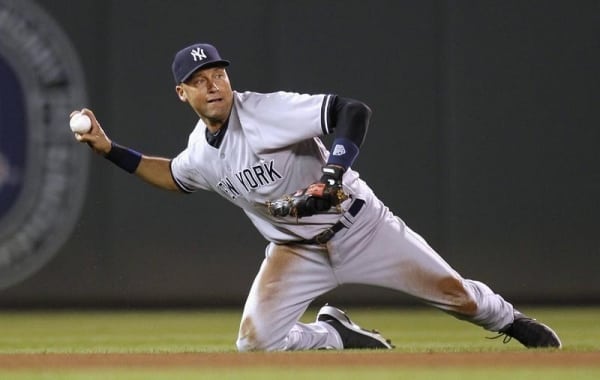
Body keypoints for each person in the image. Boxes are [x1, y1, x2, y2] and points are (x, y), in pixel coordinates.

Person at [72, 42, 562, 351]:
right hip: (293, 252)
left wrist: (332, 175)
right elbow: (174, 177)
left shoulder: (263, 112)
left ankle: (510, 320)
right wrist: (109, 149)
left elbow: (352, 111)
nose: (214, 84)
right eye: (200, 81)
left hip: (359, 226)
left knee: (456, 297)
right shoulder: (202, 151)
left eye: (218, 74)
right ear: (183, 94)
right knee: (255, 343)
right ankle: (337, 336)